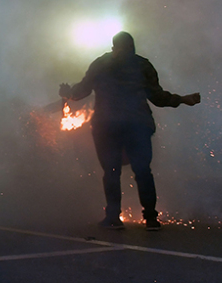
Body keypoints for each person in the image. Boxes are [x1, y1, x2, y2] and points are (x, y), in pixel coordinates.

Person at [59, 31, 200, 231]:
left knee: (112, 171)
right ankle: (150, 218)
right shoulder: (142, 65)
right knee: (142, 171)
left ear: (114, 46)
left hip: (108, 126)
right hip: (136, 125)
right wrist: (182, 99)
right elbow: (158, 97)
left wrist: (68, 93)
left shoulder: (102, 64)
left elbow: (81, 91)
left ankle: (114, 217)